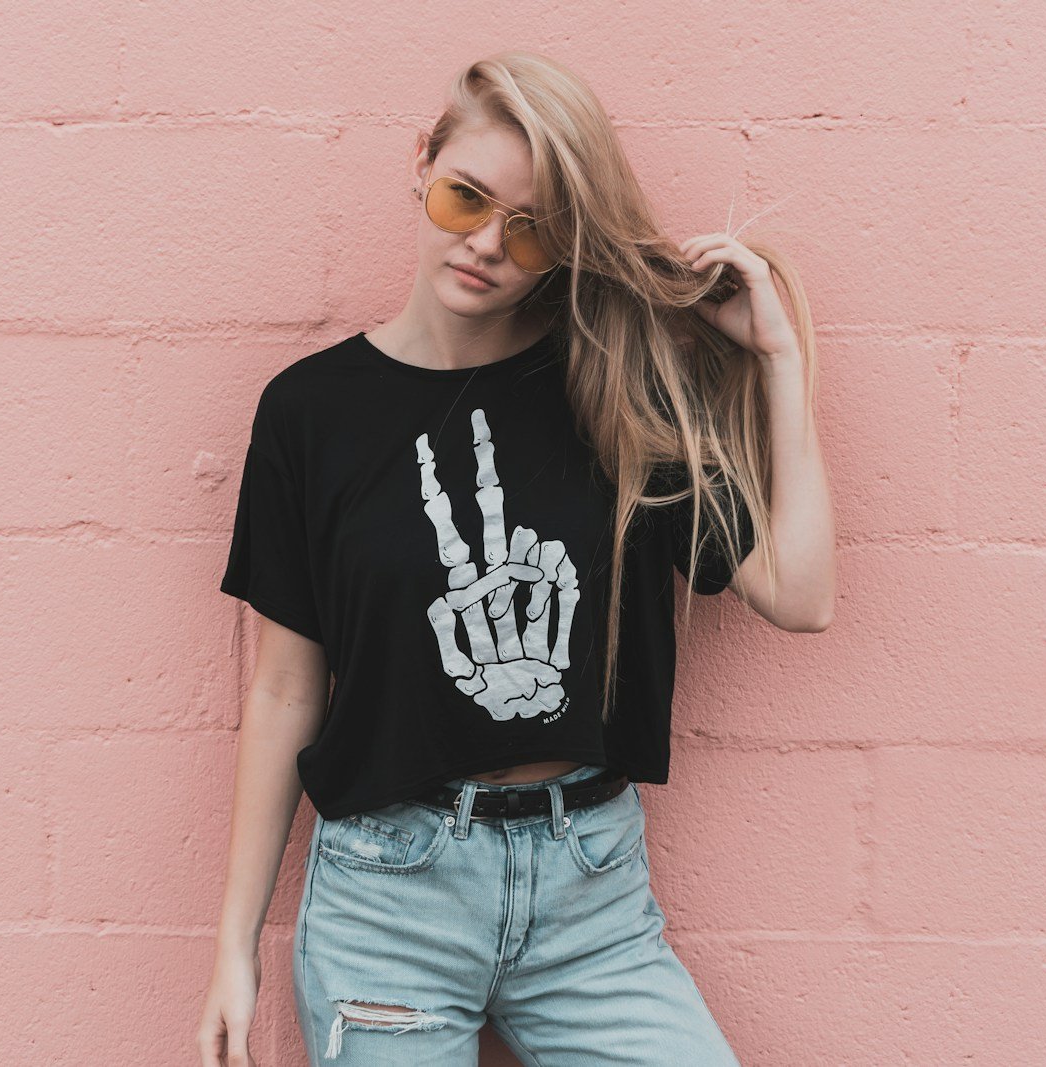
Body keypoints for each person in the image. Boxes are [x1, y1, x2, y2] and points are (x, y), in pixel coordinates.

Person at [196, 50, 836, 1067]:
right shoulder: (309, 412)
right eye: (466, 197)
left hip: (592, 895)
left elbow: (801, 595)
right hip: (387, 899)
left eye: (533, 228)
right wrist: (235, 945)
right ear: (421, 163)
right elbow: (283, 689)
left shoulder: (615, 387)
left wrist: (779, 359)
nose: (488, 244)